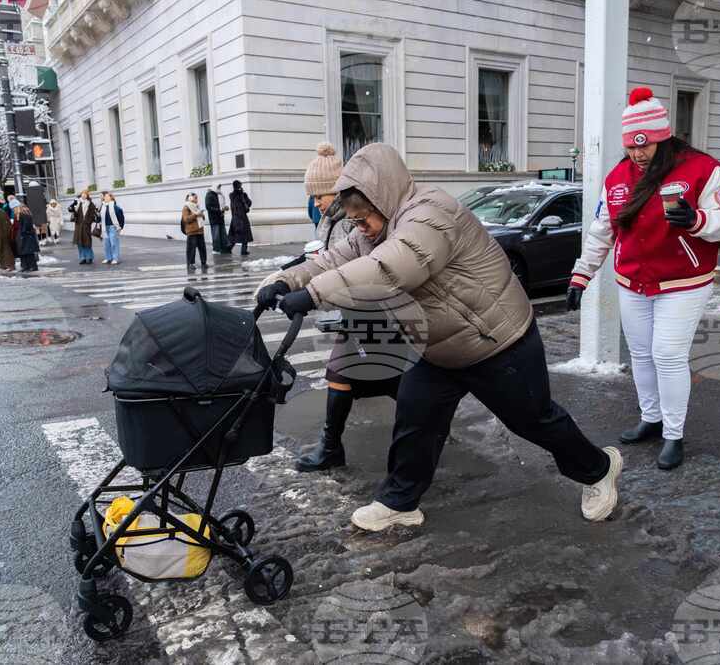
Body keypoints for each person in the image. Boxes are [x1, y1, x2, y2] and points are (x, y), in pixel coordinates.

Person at [255, 143, 622, 532]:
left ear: (383, 198)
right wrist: (284, 279)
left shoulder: (430, 214)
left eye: (363, 219)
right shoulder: (372, 229)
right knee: (416, 420)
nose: (359, 227)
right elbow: (333, 259)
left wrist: (313, 295)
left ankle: (599, 469)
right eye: (355, 221)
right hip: (437, 346)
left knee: (533, 420)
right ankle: (399, 502)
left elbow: (391, 269)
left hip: (495, 340)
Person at [566, 88, 720, 471]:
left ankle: (673, 435)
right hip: (633, 281)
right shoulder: (616, 178)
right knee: (642, 354)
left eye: (645, 146)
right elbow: (602, 231)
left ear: (663, 138)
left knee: (667, 353)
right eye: (631, 146)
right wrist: (581, 275)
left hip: (684, 281)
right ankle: (651, 418)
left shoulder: (701, 169)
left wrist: (698, 221)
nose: (638, 154)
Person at [266, 140, 363, 472]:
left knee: (349, 374)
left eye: (319, 196)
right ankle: (331, 447)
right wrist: (286, 277)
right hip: (353, 312)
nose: (315, 202)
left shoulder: (349, 220)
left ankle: (332, 448)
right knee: (350, 375)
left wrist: (309, 295)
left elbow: (347, 270)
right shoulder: (333, 219)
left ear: (334, 192)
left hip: (366, 311)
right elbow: (324, 259)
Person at [182, 192, 208, 272]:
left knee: (202, 248)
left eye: (197, 197)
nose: (197, 199)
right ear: (190, 198)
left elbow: (201, 218)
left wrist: (202, 215)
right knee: (191, 249)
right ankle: (191, 264)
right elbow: (186, 219)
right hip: (192, 231)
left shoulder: (197, 207)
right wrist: (196, 214)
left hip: (200, 231)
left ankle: (203, 263)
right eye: (195, 198)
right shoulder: (186, 207)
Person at [72, 189, 98, 264]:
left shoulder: (90, 204)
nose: (83, 195)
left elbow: (93, 214)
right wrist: (74, 205)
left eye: (85, 194)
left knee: (87, 242)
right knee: (79, 242)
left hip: (86, 226)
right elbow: (73, 212)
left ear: (87, 195)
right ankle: (82, 258)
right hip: (78, 225)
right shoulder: (77, 203)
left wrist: (88, 222)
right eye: (82, 194)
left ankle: (89, 257)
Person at [228, 180, 252, 256]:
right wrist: (243, 195)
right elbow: (248, 204)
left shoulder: (232, 195)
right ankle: (243, 250)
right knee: (244, 235)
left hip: (235, 218)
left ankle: (229, 248)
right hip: (241, 218)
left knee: (235, 235)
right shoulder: (241, 195)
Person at [205, 182, 230, 254]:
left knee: (223, 234)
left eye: (220, 187)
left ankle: (224, 248)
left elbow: (221, 204)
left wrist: (224, 208)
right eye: (218, 187)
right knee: (216, 235)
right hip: (214, 218)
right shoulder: (209, 195)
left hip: (220, 217)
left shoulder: (218, 195)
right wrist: (219, 210)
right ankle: (216, 249)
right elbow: (208, 207)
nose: (219, 189)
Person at [100, 191, 125, 264]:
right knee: (106, 243)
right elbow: (99, 218)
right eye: (105, 196)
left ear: (111, 198)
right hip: (105, 227)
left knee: (114, 243)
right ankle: (108, 258)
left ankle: (115, 258)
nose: (105, 198)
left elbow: (121, 217)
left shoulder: (114, 206)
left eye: (107, 196)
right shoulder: (103, 206)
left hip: (113, 227)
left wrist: (121, 227)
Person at [15, 204, 40, 273]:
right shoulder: (26, 214)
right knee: (27, 252)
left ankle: (29, 266)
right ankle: (28, 266)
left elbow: (25, 226)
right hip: (27, 236)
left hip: (25, 236)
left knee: (27, 253)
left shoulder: (24, 215)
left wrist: (23, 233)